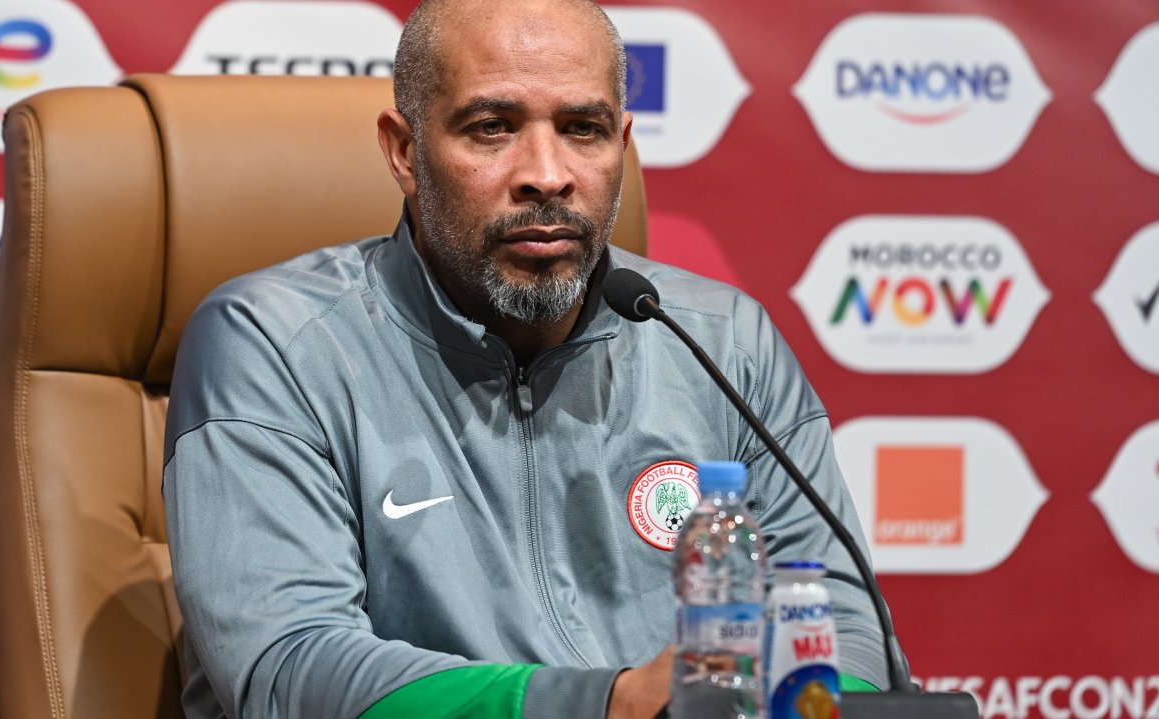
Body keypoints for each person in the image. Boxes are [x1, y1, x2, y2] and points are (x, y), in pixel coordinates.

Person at [163, 0, 896, 717]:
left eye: (583, 129)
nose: (547, 174)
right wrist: (603, 704)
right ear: (404, 150)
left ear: (623, 144)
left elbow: (841, 628)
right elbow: (288, 668)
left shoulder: (721, 340)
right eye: (492, 128)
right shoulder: (277, 343)